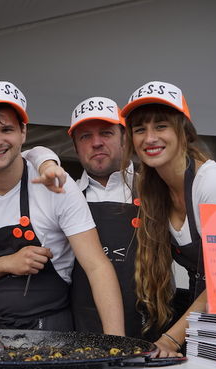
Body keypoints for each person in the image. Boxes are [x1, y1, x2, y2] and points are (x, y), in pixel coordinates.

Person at [0, 81, 125, 334]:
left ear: (23, 133)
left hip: (51, 332)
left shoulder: (56, 185)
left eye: (7, 129)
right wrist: (8, 263)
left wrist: (115, 343)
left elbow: (97, 267)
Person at [120, 81, 216, 356]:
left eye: (161, 126)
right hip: (208, 325)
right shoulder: (154, 189)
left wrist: (169, 340)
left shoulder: (214, 182)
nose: (149, 138)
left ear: (184, 131)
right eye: (139, 129)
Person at [67, 97, 143, 337]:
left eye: (106, 133)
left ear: (124, 138)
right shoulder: (64, 197)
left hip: (152, 333)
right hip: (82, 332)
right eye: (85, 136)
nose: (96, 143)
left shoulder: (156, 191)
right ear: (75, 146)